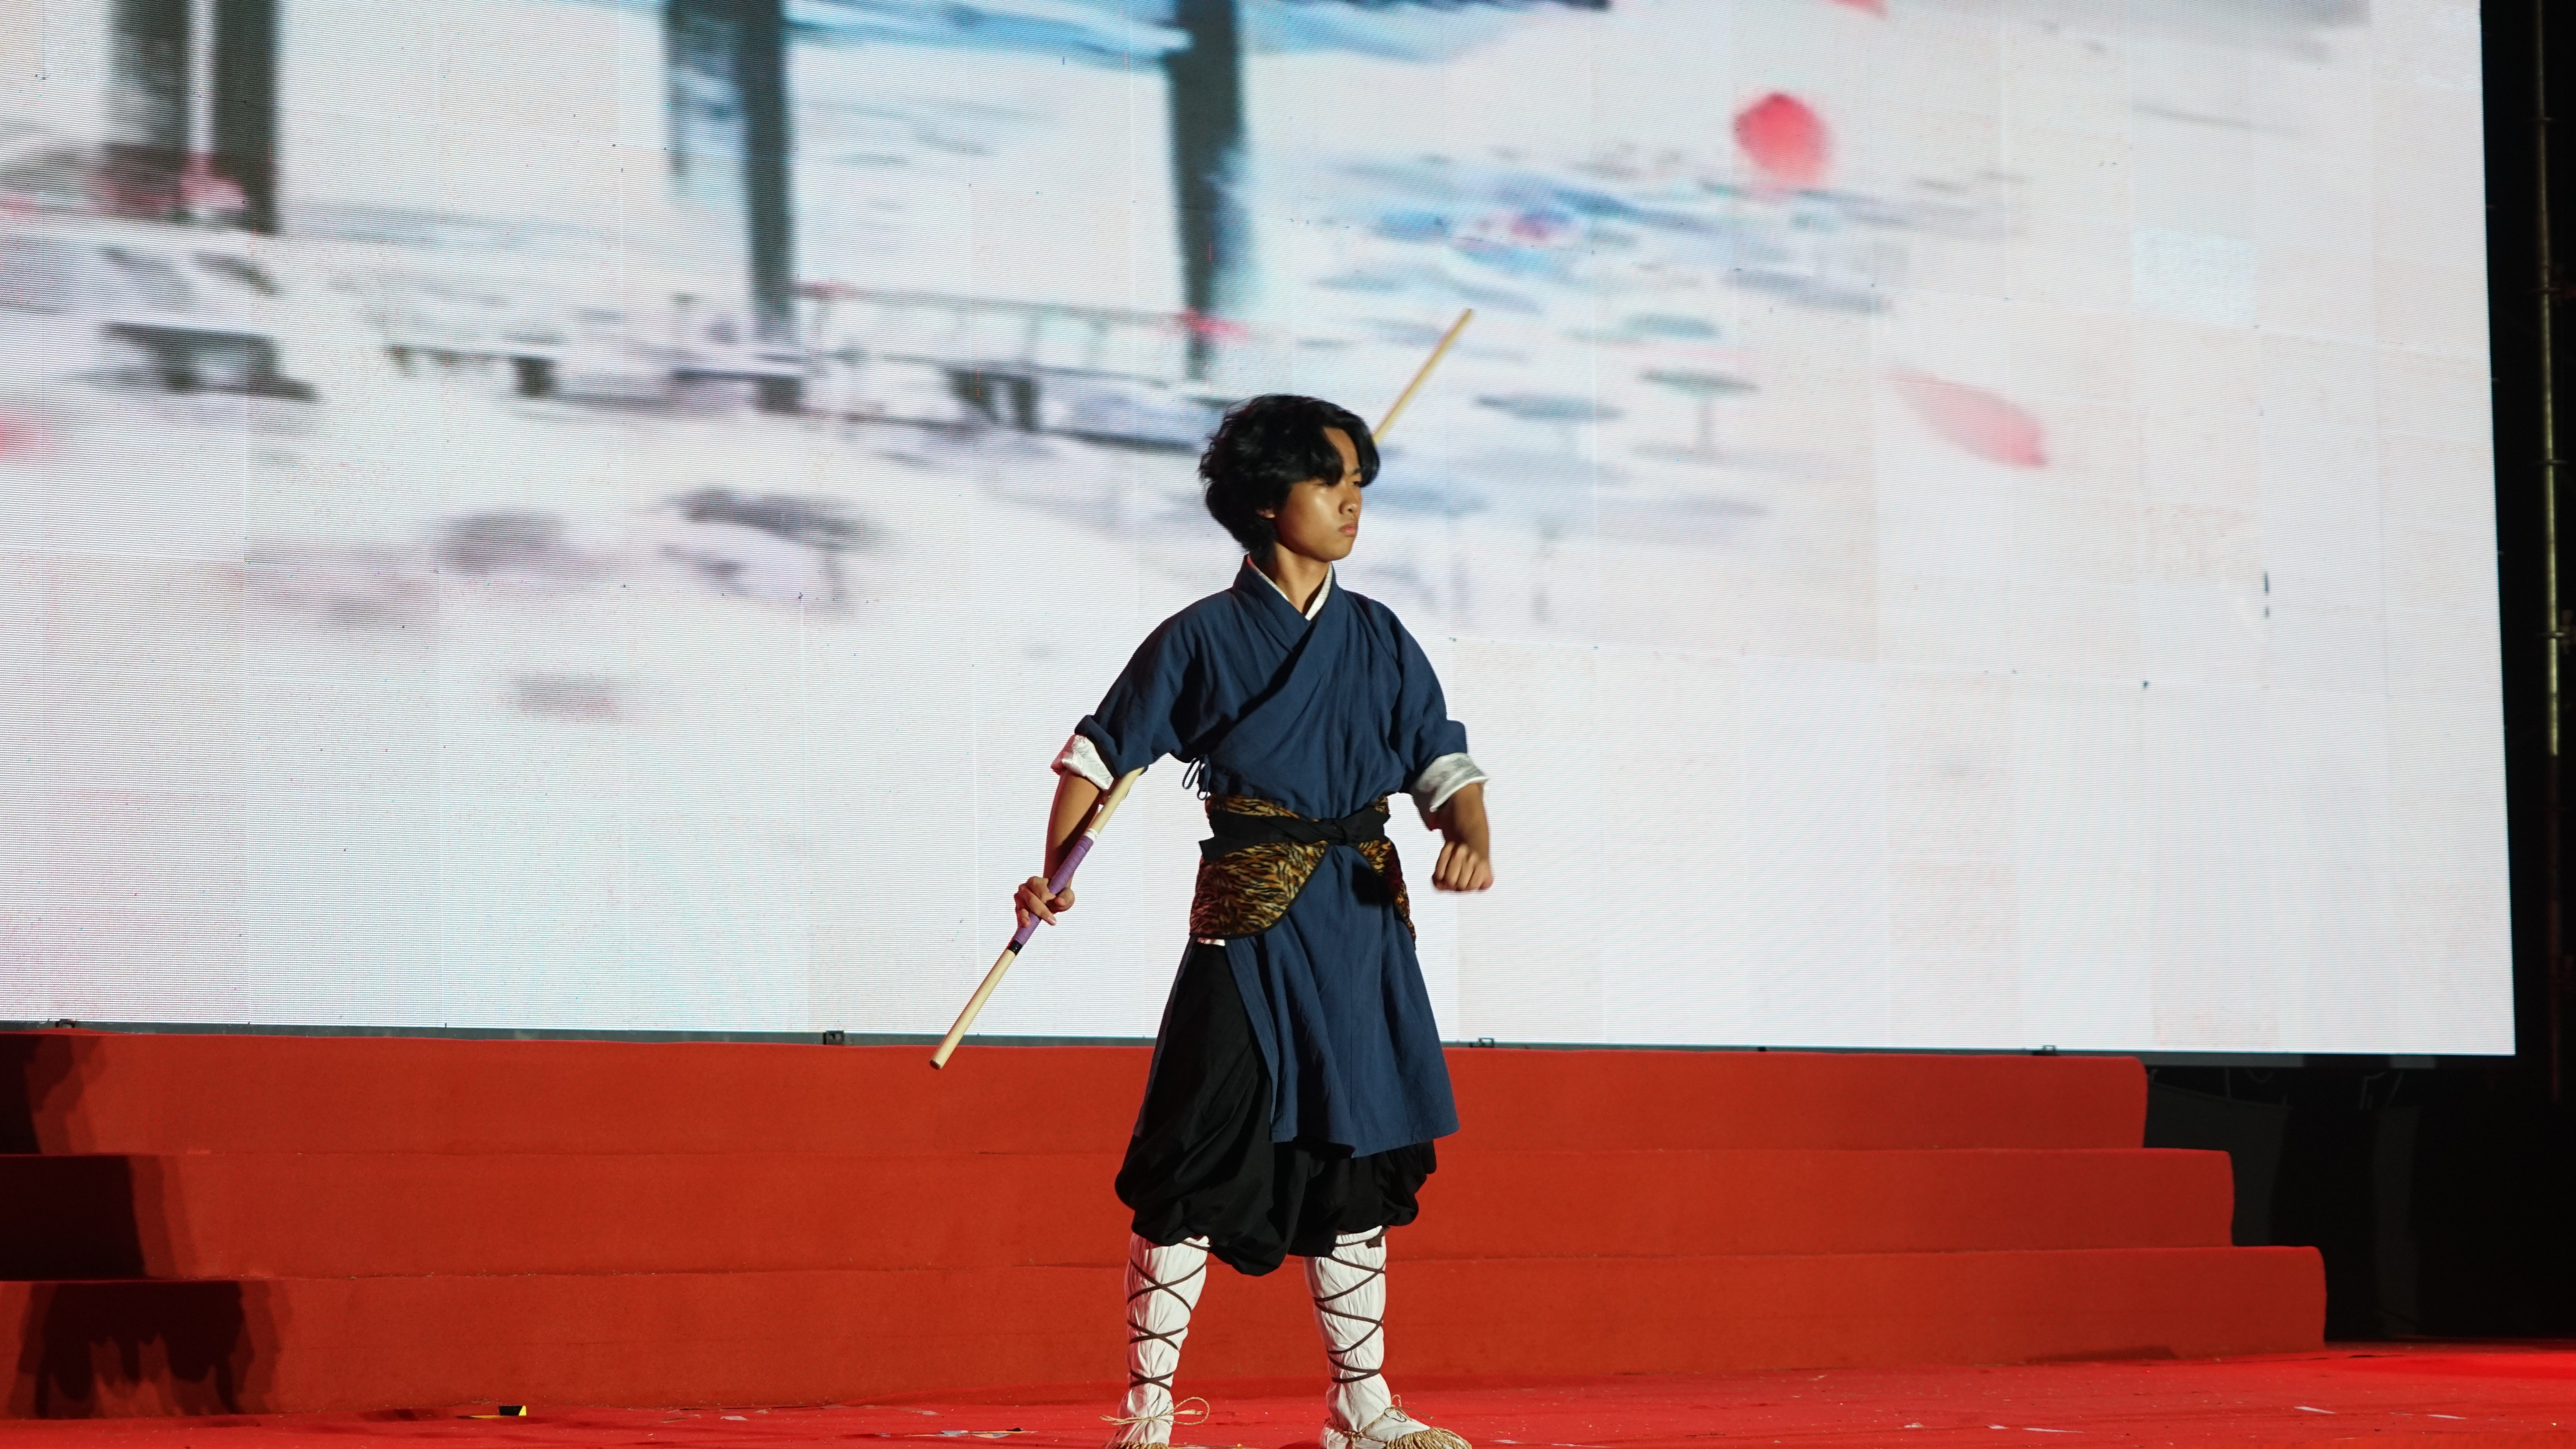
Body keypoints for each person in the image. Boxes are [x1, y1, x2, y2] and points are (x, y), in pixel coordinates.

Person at [1018, 395, 1495, 1449]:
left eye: (1359, 482)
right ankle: (1147, 1411)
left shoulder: (1381, 637)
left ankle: (1361, 1405)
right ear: (1267, 501)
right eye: (1329, 481)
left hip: (1360, 925)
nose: (1351, 502)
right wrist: (1054, 871)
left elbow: (1442, 760)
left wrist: (1471, 833)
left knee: (1357, 1149)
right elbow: (1101, 753)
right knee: (1196, 1148)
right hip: (1248, 921)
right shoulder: (1200, 637)